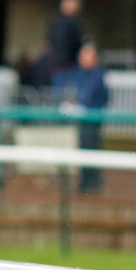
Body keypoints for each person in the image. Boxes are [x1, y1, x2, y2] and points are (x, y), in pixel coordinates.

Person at [56, 43, 109, 193]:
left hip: (93, 120)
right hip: (84, 120)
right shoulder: (80, 74)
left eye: (86, 56)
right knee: (84, 147)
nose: (82, 59)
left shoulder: (97, 75)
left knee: (91, 148)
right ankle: (87, 182)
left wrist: (79, 106)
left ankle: (91, 182)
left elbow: (92, 97)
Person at [48, 0, 84, 77]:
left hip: (54, 63)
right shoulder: (73, 22)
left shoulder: (55, 21)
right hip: (69, 64)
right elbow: (77, 43)